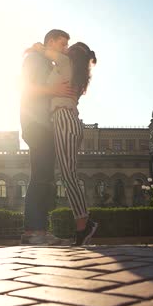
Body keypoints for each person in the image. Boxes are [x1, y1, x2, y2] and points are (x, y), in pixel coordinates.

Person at [28, 40, 98, 246]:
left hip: (64, 119)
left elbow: (45, 51)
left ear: (73, 53)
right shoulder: (76, 70)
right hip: (67, 121)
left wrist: (35, 47)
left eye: (68, 46)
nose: (65, 48)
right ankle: (83, 224)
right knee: (68, 174)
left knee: (68, 175)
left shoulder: (66, 62)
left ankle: (84, 224)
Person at [20, 29, 75, 245]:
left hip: (44, 124)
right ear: (50, 41)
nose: (66, 49)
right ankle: (34, 232)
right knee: (41, 177)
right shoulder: (35, 58)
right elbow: (27, 88)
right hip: (36, 123)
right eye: (62, 44)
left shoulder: (46, 61)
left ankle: (40, 230)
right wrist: (54, 89)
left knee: (45, 177)